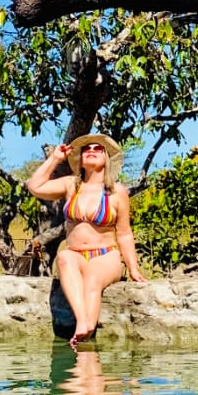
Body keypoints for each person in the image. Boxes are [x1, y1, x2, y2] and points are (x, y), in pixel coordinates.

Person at [25, 133, 146, 346]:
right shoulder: (71, 185)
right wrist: (55, 159)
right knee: (63, 257)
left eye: (97, 148)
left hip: (106, 255)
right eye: (87, 149)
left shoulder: (117, 192)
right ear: (80, 159)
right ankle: (83, 323)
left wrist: (133, 269)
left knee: (92, 276)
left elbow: (125, 233)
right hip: (75, 255)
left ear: (106, 158)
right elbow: (35, 186)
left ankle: (85, 334)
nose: (91, 150)